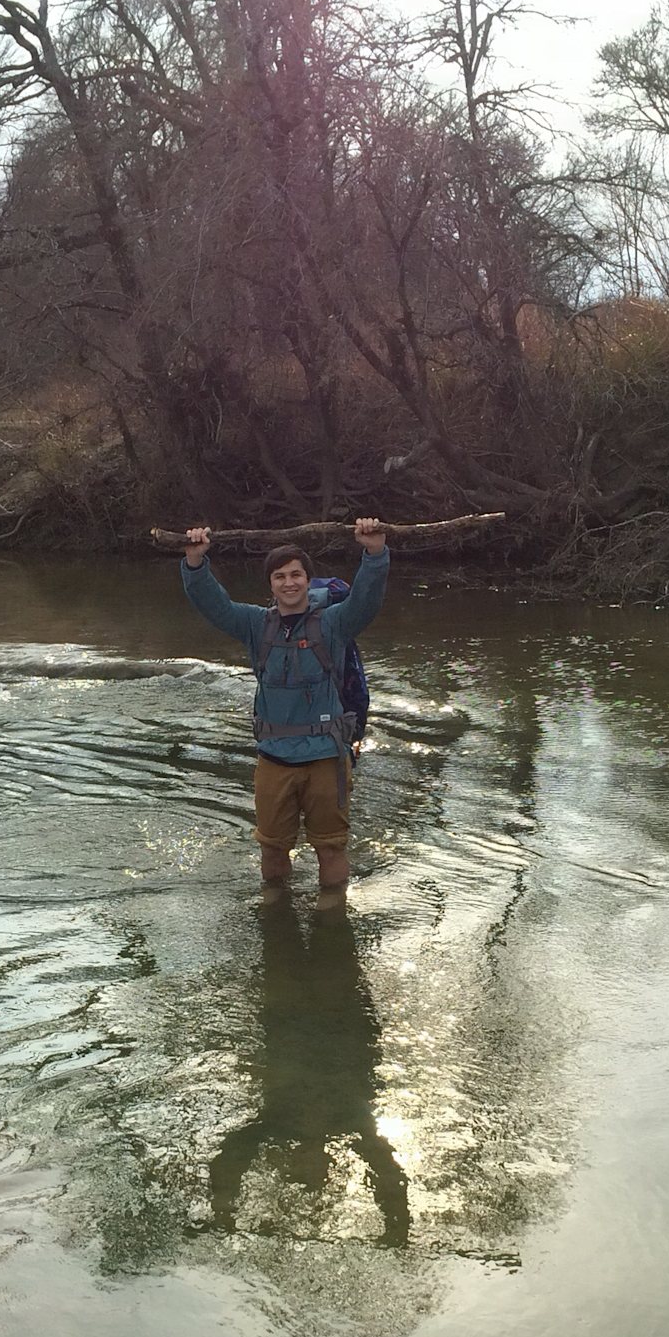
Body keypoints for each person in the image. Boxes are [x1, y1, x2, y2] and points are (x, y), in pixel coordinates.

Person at [182, 516, 389, 894]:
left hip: (326, 758)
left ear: (308, 581)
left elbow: (366, 601)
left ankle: (332, 915)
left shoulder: (334, 623)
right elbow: (215, 606)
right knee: (273, 849)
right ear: (271, 585)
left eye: (296, 575)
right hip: (274, 760)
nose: (289, 582)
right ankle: (275, 913)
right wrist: (196, 562)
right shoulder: (255, 624)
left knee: (331, 847)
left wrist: (374, 553)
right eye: (280, 576)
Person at [207, 893, 414, 1246]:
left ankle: (284, 880)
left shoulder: (275, 1123)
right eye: (312, 1170)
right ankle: (316, 875)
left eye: (296, 1168)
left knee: (278, 924)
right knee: (330, 922)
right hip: (342, 1015)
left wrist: (223, 1210)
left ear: (286, 1161)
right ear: (327, 1165)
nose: (303, 1163)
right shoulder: (352, 1123)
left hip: (288, 1015)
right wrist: (396, 1224)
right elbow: (387, 1173)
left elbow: (229, 1159)